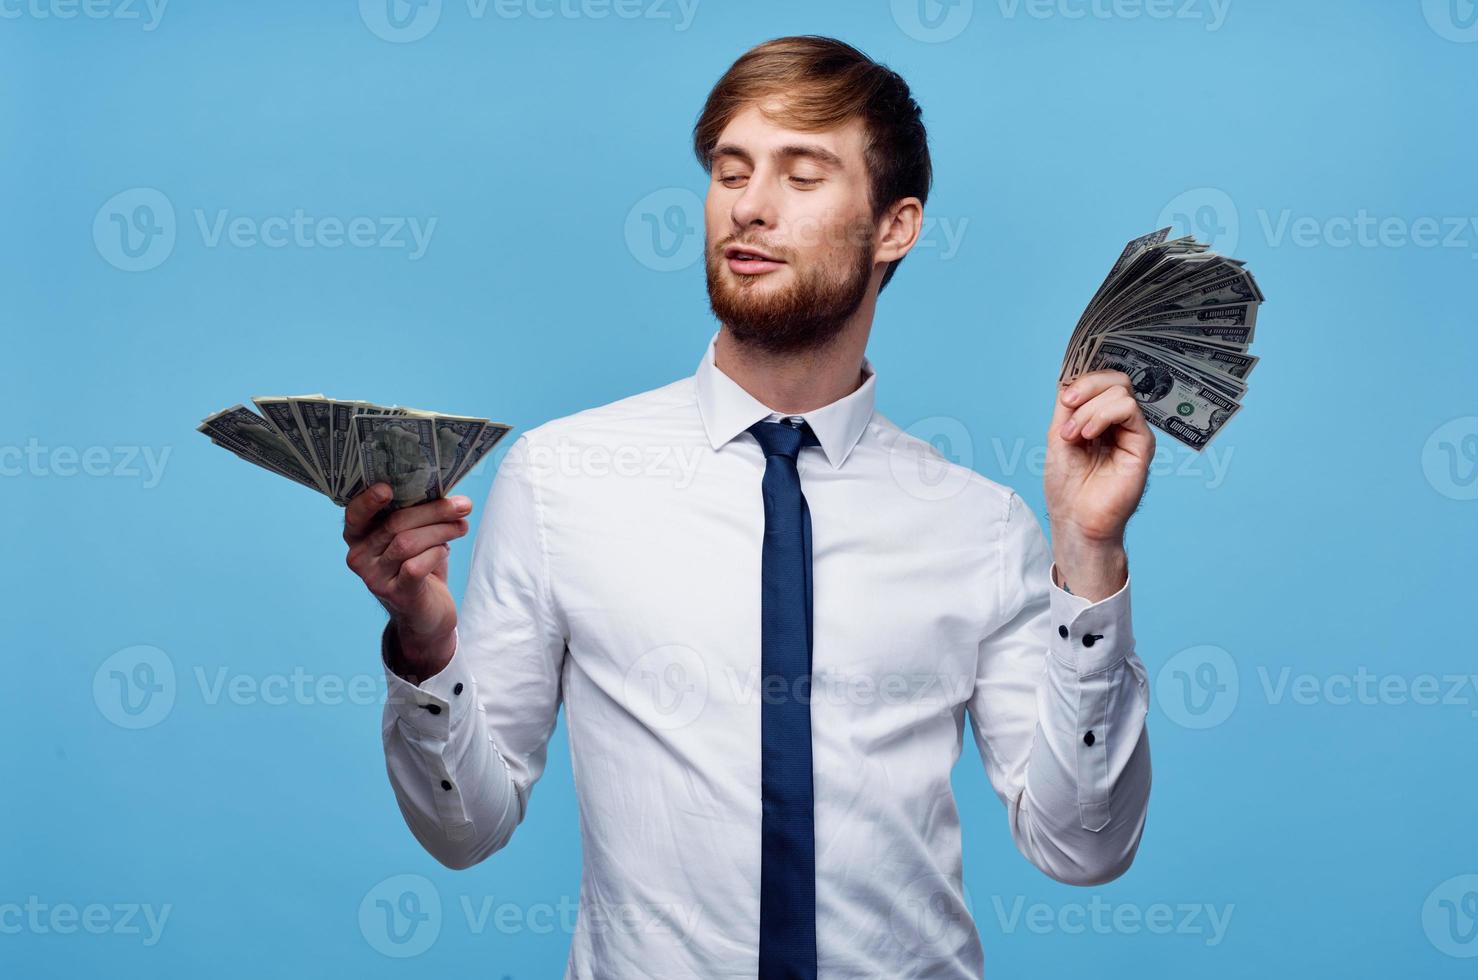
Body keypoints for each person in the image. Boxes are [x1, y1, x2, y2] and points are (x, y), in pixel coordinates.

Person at [343, 35, 1153, 979]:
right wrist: (426, 647)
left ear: (895, 226)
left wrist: (1089, 558)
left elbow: (1083, 848)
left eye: (802, 176)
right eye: (732, 172)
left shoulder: (980, 525)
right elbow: (464, 829)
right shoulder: (561, 479)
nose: (751, 207)